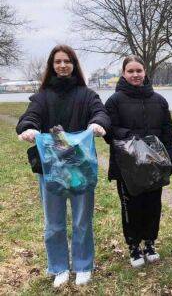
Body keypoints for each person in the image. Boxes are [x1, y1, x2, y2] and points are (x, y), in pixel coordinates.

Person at [16, 45, 110, 288]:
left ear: (74, 64)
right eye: (57, 61)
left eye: (67, 61)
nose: (62, 65)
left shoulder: (87, 94)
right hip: (51, 170)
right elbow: (30, 116)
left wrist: (98, 124)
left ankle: (83, 266)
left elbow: (100, 113)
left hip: (80, 167)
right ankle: (58, 267)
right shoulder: (42, 96)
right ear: (52, 66)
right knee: (54, 222)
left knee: (82, 221)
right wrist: (28, 128)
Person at [105, 55, 172, 267]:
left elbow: (167, 133)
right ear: (124, 74)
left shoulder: (159, 101)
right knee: (131, 206)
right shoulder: (114, 101)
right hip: (127, 167)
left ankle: (150, 242)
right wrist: (129, 135)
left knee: (153, 206)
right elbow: (109, 132)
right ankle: (134, 246)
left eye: (139, 71)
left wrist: (170, 159)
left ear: (145, 73)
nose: (135, 75)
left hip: (154, 166)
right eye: (131, 71)